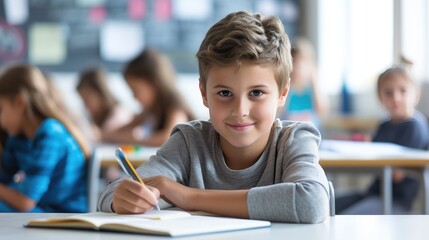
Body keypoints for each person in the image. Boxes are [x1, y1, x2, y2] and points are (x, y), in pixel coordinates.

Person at [98, 11, 329, 223]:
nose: (240, 110)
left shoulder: (295, 139)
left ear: (283, 94)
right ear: (203, 93)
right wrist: (122, 198)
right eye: (225, 93)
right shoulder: (189, 143)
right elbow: (112, 192)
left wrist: (190, 197)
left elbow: (312, 202)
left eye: (256, 93)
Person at [336, 66, 429, 214]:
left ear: (416, 95)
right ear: (380, 98)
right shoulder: (384, 125)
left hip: (396, 201)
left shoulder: (415, 127)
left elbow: (397, 174)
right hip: (373, 193)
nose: (396, 98)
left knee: (347, 218)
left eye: (403, 91)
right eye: (388, 93)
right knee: (327, 203)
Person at [0, 64, 90, 212]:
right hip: (42, 207)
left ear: (19, 103)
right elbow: (4, 178)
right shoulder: (18, 138)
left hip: (64, 214)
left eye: (1, 109)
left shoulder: (50, 134)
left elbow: (25, 202)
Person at [102, 48, 195, 147]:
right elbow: (113, 132)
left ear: (155, 84)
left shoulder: (175, 107)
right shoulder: (150, 112)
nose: (133, 96)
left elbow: (168, 138)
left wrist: (133, 139)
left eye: (136, 90)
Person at [278, 38, 327, 128]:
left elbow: (322, 110)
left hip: (311, 137)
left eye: (304, 62)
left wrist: (314, 82)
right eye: (295, 62)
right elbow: (279, 110)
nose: (299, 66)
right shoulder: (287, 89)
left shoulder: (312, 90)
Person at [76, 67, 133, 143]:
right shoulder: (90, 116)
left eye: (88, 98)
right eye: (83, 99)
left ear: (101, 94)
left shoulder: (119, 114)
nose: (85, 103)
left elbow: (103, 135)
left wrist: (99, 134)